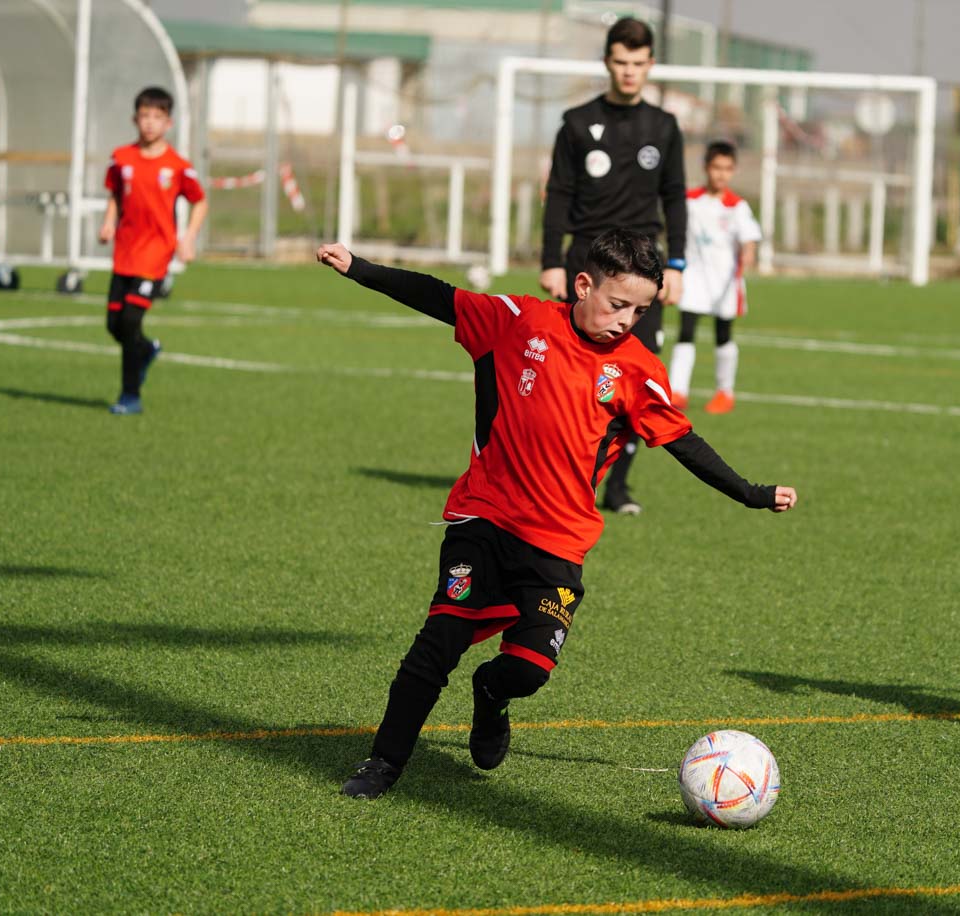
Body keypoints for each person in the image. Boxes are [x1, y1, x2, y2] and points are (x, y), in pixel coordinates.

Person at [316, 229, 798, 799]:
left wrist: (751, 492)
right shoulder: (517, 320)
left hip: (558, 544)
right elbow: (438, 297)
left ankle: (491, 694)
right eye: (618, 304)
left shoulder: (638, 370)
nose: (627, 319)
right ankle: (382, 765)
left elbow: (683, 443)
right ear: (583, 284)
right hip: (484, 519)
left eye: (641, 310)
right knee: (439, 639)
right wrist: (362, 268)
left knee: (528, 671)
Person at [540, 16, 687, 515]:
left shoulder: (664, 127)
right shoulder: (577, 123)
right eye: (621, 62)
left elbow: (675, 199)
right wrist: (550, 260)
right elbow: (557, 193)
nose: (629, 72)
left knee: (639, 385)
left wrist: (679, 265)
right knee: (571, 382)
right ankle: (566, 477)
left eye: (638, 63)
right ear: (608, 62)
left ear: (650, 65)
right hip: (588, 262)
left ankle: (618, 486)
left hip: (644, 272)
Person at [98, 86, 207, 415]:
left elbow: (199, 201)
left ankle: (129, 396)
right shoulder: (121, 158)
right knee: (114, 324)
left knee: (130, 321)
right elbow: (116, 193)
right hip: (125, 252)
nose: (149, 123)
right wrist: (107, 222)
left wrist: (187, 239)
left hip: (155, 255)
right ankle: (145, 351)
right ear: (135, 118)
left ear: (168, 123)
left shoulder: (177, 166)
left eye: (157, 117)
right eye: (144, 116)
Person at [668, 140, 762, 414]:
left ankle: (724, 391)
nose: (721, 174)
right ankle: (678, 391)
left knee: (723, 335)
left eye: (727, 169)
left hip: (725, 283)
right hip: (694, 278)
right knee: (686, 332)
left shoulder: (737, 206)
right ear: (706, 167)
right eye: (716, 167)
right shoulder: (690, 200)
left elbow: (749, 239)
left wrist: (749, 252)